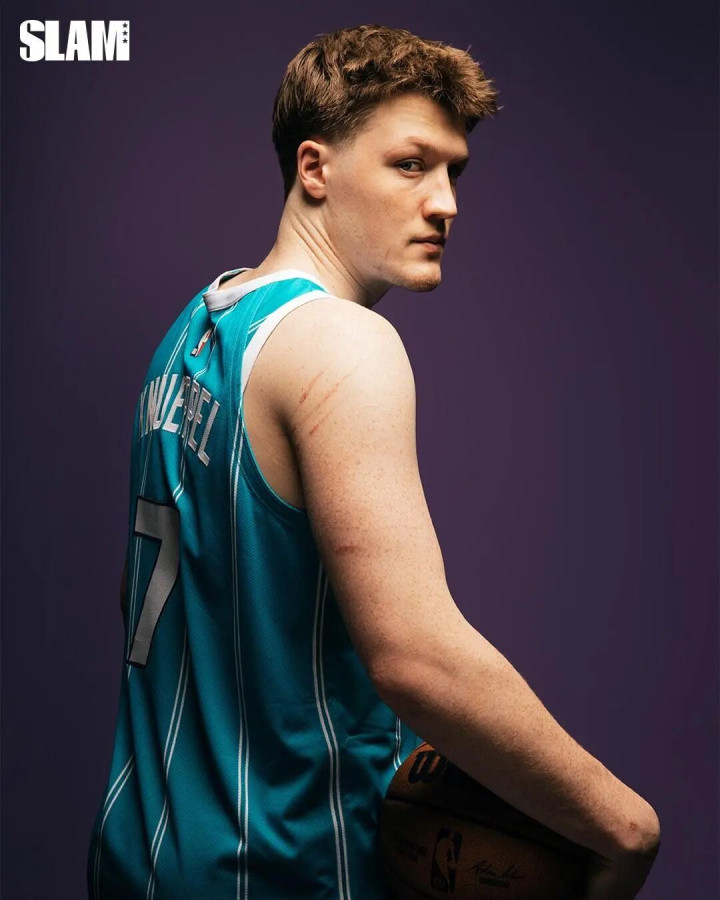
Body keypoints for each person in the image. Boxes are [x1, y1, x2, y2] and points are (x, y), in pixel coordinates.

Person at [87, 23, 661, 899]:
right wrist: (622, 825)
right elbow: (413, 656)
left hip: (140, 858)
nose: (445, 203)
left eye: (454, 172)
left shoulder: (192, 333)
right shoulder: (344, 343)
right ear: (315, 168)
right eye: (410, 165)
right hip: (281, 872)